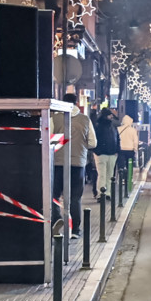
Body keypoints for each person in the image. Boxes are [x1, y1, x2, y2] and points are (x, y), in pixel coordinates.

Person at [52, 93, 97, 238]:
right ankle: (75, 229)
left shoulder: (55, 118)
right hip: (78, 164)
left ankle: (56, 224)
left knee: (54, 196)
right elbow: (93, 143)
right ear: (76, 102)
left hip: (58, 163)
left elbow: (47, 140)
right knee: (75, 197)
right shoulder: (84, 119)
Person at [91, 108, 120, 201]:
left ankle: (107, 193)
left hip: (110, 154)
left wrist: (117, 150)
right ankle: (101, 193)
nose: (111, 116)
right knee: (102, 174)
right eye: (110, 115)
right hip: (102, 154)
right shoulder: (99, 126)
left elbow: (118, 139)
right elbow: (94, 140)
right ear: (105, 116)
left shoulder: (111, 126)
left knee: (109, 174)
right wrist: (97, 151)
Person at [117, 114, 138, 186]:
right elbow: (135, 141)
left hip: (121, 150)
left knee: (121, 165)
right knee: (129, 165)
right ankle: (129, 178)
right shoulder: (133, 130)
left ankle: (122, 179)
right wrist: (135, 149)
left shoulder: (118, 129)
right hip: (130, 150)